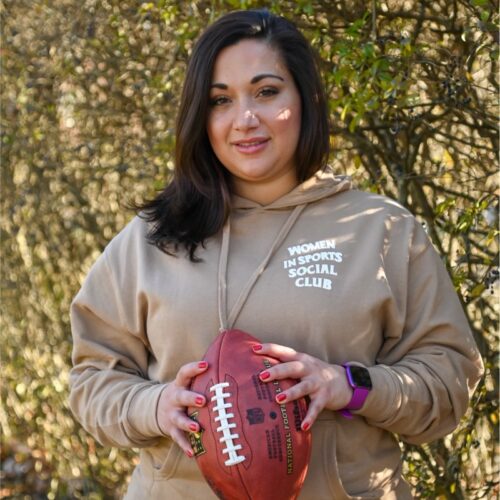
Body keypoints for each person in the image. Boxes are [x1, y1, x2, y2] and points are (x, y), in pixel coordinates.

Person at [69, 9, 484, 499]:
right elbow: (92, 380)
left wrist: (351, 385)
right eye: (220, 100)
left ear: (305, 98)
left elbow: (449, 381)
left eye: (267, 92)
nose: (245, 119)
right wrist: (155, 406)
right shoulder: (151, 238)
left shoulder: (381, 231)